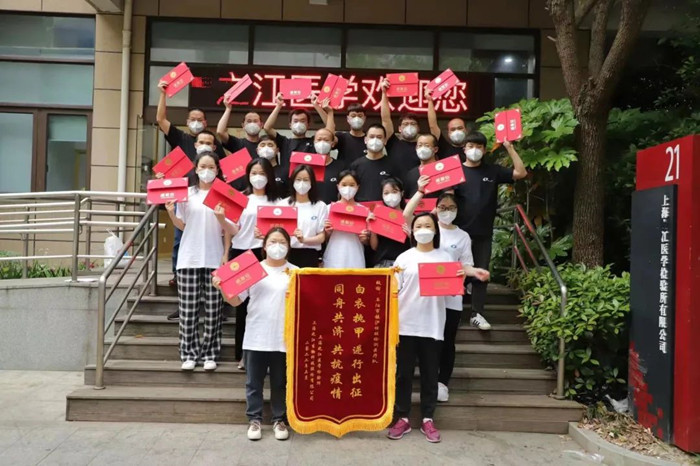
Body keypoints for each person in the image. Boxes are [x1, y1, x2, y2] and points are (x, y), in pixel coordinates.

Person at [388, 212, 489, 443]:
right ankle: (402, 417)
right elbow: (393, 291)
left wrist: (466, 277)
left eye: (427, 225)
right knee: (403, 374)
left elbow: (454, 284)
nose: (423, 229)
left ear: (435, 230)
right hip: (405, 325)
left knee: (430, 374)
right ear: (412, 231)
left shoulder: (445, 258)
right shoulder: (403, 258)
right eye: (418, 226)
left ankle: (427, 418)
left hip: (432, 325)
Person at [213, 227, 297, 441]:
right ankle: (254, 419)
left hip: (283, 338)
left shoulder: (296, 273)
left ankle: (279, 420)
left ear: (289, 247)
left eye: (282, 242)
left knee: (280, 382)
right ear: (264, 246)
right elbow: (235, 301)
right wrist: (223, 287)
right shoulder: (252, 271)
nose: (277, 246)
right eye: (272, 242)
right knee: (254, 382)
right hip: (256, 335)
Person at [404, 189, 481, 403]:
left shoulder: (463, 236)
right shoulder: (428, 228)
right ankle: (425, 381)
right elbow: (407, 216)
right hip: (424, 298)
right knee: (425, 340)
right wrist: (420, 191)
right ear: (435, 209)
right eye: (443, 207)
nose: (447, 211)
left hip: (451, 298)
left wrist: (474, 272)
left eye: (451, 208)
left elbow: (466, 264)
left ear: (458, 210)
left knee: (447, 340)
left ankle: (442, 382)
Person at [163, 151, 235, 372]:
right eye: (203, 166)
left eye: (211, 167)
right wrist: (170, 213)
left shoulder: (223, 194)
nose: (207, 171)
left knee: (214, 310)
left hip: (214, 257)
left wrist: (226, 254)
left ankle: (210, 354)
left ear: (218, 170)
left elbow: (227, 229)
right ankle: (189, 354)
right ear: (195, 169)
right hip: (188, 258)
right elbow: (183, 225)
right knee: (188, 311)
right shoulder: (187, 194)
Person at [156, 79, 226, 300]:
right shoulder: (183, 139)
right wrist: (163, 94)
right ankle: (179, 280)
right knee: (180, 242)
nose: (196, 122)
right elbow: (160, 120)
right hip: (185, 202)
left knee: (213, 243)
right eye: (192, 119)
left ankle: (214, 292)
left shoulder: (216, 152)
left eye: (200, 119)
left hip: (210, 204)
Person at [452, 131, 527, 330]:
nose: (474, 150)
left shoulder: (492, 171)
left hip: (483, 232)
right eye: (471, 146)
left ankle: (477, 314)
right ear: (464, 149)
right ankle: (452, 314)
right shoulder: (455, 171)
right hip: (458, 233)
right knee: (455, 273)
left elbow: (520, 173)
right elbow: (446, 198)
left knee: (481, 273)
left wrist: (509, 147)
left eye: (479, 147)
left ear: (484, 150)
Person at [227, 158, 280, 370]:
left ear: (269, 176)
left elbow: (282, 232)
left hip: (267, 255)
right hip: (242, 253)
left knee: (265, 304)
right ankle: (242, 354)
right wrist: (221, 219)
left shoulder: (278, 202)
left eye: (262, 173)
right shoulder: (241, 199)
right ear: (248, 175)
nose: (258, 177)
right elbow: (233, 230)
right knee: (243, 307)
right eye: (254, 173)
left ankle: (266, 355)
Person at [322, 170, 370, 268]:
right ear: (338, 186)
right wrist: (327, 232)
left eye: (352, 185)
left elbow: (368, 241)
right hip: (334, 256)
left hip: (356, 257)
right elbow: (322, 238)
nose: (348, 188)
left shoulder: (364, 211)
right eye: (344, 185)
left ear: (358, 187)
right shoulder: (328, 209)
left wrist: (365, 239)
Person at [285, 164, 328, 268]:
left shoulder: (320, 206)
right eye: (298, 179)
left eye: (306, 180)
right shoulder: (283, 204)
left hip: (310, 255)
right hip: (286, 253)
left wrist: (303, 240)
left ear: (312, 182)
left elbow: (322, 237)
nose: (302, 183)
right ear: (293, 181)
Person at [349, 124, 403, 202]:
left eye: (379, 137)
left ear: (385, 141)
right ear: (365, 140)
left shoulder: (394, 165)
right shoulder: (355, 165)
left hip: (384, 207)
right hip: (361, 207)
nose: (375, 140)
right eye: (371, 137)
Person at [263, 93, 314, 168]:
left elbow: (329, 130)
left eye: (302, 121)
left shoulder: (314, 141)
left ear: (308, 125)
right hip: (287, 175)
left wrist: (317, 106)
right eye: (295, 121)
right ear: (290, 125)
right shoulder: (284, 142)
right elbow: (267, 128)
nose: (299, 124)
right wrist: (278, 106)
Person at [380, 77, 421, 171]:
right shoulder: (393, 143)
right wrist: (384, 93)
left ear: (418, 128)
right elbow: (385, 119)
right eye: (405, 124)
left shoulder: (423, 146)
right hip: (395, 181)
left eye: (413, 123)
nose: (409, 126)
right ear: (399, 128)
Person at [369, 178, 410, 267]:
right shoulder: (378, 215)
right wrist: (372, 228)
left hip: (404, 263)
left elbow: (417, 245)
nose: (390, 195)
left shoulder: (408, 216)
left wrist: (410, 235)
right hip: (383, 264)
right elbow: (374, 247)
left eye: (394, 191)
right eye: (386, 193)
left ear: (402, 193)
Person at [425, 89, 469, 162]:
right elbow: (433, 125)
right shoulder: (444, 148)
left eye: (460, 128)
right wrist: (430, 101)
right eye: (453, 129)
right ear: (448, 133)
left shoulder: (472, 149)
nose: (457, 131)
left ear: (466, 130)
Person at [403, 133, 442, 199]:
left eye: (427, 146)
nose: (422, 148)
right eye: (420, 145)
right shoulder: (411, 174)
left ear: (435, 149)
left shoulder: (443, 169)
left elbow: (448, 195)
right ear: (416, 148)